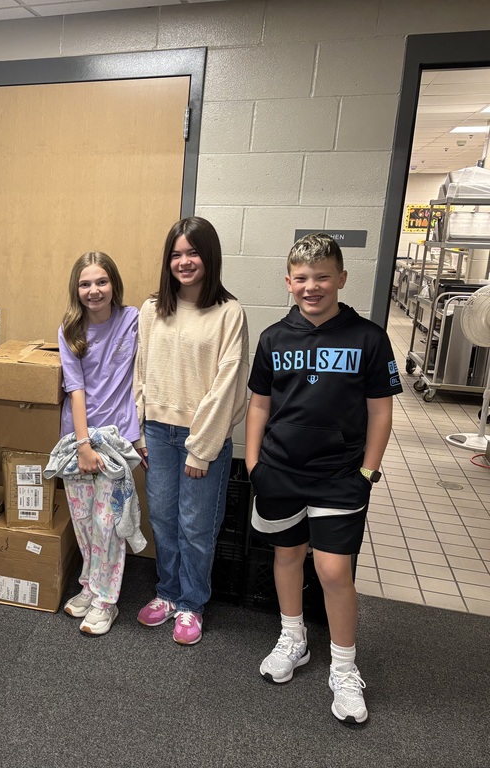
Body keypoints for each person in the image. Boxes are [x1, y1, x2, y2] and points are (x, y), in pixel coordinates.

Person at [245, 232, 401, 725]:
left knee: (334, 572)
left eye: (322, 277)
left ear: (341, 279)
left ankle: (344, 667)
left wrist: (368, 472)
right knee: (287, 556)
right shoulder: (273, 338)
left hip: (339, 477)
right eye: (302, 278)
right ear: (289, 281)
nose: (312, 287)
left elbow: (381, 412)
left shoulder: (369, 338)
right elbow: (259, 404)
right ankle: (294, 639)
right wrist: (253, 465)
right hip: (280, 471)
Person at [133, 216, 249, 646]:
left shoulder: (228, 313)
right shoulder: (152, 309)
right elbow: (140, 372)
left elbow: (229, 383)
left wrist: (201, 449)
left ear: (209, 256)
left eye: (193, 252)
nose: (184, 262)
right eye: (176, 254)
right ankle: (166, 592)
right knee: (162, 518)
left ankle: (192, 603)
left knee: (196, 525)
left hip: (204, 438)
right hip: (158, 435)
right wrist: (140, 431)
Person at [48, 252, 146, 637]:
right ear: (77, 288)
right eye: (85, 283)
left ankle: (107, 600)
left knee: (109, 524)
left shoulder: (133, 319)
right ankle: (90, 586)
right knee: (84, 521)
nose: (94, 290)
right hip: (79, 438)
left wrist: (138, 437)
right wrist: (83, 444)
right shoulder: (70, 328)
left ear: (113, 285)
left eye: (101, 282)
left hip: (116, 441)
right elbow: (76, 389)